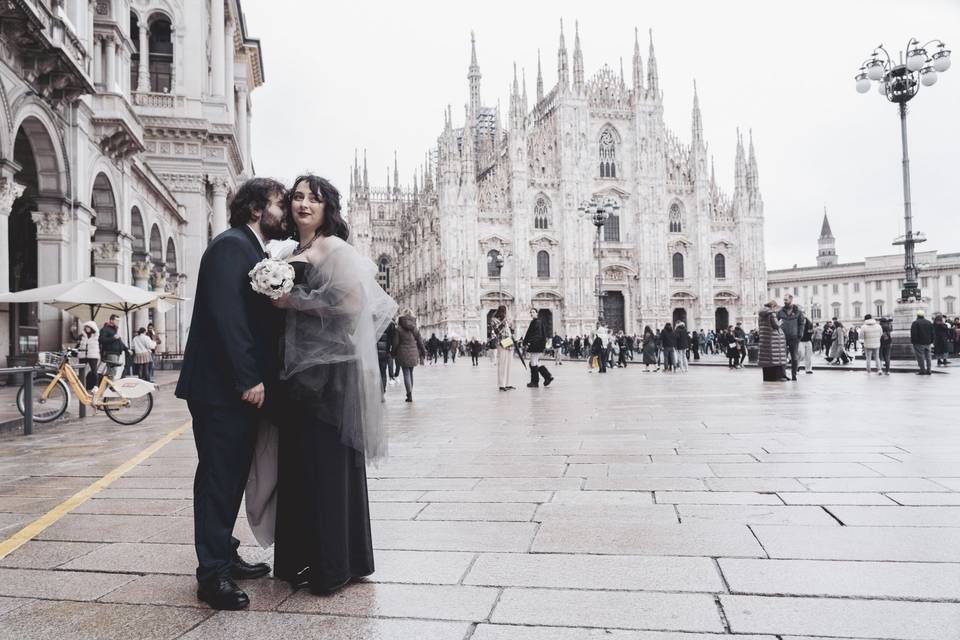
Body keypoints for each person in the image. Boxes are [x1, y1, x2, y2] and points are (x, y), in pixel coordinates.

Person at [269, 174, 396, 596]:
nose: (304, 204)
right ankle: (307, 557)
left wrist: (293, 301)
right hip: (299, 372)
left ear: (328, 209)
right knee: (302, 464)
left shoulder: (333, 247)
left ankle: (333, 564)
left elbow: (355, 303)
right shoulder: (294, 250)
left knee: (326, 465)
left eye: (314, 199)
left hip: (327, 375)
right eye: (298, 197)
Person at [175, 177, 287, 610]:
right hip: (222, 389)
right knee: (220, 478)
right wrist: (247, 378)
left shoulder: (249, 248)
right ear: (258, 208)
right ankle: (212, 575)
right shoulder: (230, 246)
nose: (284, 212)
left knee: (229, 475)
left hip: (227, 388)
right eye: (280, 203)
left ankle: (224, 549)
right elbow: (227, 317)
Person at [394, 309, 426, 401]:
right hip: (413, 352)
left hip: (402, 352)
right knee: (411, 373)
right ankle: (410, 393)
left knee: (406, 373)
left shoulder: (398, 328)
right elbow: (420, 341)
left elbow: (395, 343)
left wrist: (393, 352)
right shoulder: (415, 328)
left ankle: (409, 394)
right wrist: (424, 352)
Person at [758, 299, 789, 382]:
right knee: (774, 357)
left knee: (767, 359)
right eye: (775, 307)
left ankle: (768, 377)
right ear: (773, 306)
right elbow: (775, 326)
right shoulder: (771, 313)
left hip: (765, 339)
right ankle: (777, 377)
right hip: (773, 338)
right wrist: (780, 322)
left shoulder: (761, 314)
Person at [522, 308, 554, 388]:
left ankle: (534, 382)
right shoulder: (538, 322)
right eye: (531, 312)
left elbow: (533, 334)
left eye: (533, 312)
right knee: (535, 362)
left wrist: (527, 342)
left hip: (535, 345)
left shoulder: (536, 322)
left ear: (537, 313)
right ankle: (547, 377)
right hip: (537, 345)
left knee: (533, 363)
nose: (532, 313)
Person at [776, 293, 805, 381]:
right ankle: (783, 375)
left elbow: (801, 324)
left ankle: (794, 375)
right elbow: (776, 323)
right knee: (783, 357)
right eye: (784, 300)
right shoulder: (780, 312)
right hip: (782, 337)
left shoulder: (798, 312)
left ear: (791, 300)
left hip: (794, 337)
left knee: (794, 357)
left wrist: (800, 335)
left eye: (786, 300)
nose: (784, 302)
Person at [98, 314, 130, 379]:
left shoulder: (115, 330)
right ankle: (109, 386)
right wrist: (113, 338)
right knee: (112, 371)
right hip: (110, 352)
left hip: (116, 353)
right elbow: (101, 340)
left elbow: (119, 342)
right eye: (116, 320)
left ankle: (107, 386)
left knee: (112, 371)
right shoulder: (105, 329)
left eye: (118, 320)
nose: (118, 322)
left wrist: (127, 349)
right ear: (111, 320)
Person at [491, 305, 515, 391]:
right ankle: (501, 384)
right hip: (501, 341)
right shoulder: (494, 320)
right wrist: (504, 322)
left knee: (509, 363)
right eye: (506, 311)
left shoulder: (506, 320)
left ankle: (508, 383)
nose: (506, 313)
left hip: (508, 341)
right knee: (502, 363)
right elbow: (497, 331)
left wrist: (511, 325)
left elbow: (510, 331)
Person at [77, 320, 100, 390]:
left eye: (88, 327)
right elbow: (75, 339)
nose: (87, 329)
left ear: (92, 328)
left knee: (94, 371)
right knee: (81, 371)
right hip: (83, 355)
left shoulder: (96, 336)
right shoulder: (82, 335)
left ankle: (96, 386)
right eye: (86, 327)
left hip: (93, 355)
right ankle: (81, 385)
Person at [910, 310, 934, 375]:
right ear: (923, 315)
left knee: (920, 357)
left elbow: (914, 334)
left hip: (919, 343)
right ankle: (929, 370)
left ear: (917, 316)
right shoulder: (929, 322)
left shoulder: (915, 323)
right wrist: (931, 341)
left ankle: (922, 370)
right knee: (928, 357)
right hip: (928, 343)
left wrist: (914, 342)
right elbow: (932, 333)